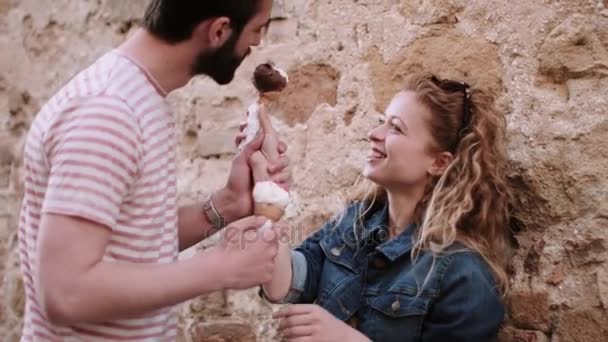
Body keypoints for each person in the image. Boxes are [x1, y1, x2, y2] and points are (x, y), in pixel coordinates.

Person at [17, 0, 288, 341]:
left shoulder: (141, 98)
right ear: (219, 30)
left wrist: (228, 203)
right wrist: (221, 269)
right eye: (256, 30)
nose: (258, 44)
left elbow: (132, 241)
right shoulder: (108, 112)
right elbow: (66, 294)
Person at [259, 73, 513, 342]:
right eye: (382, 122)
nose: (373, 134)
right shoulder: (354, 223)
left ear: (439, 163)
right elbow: (284, 285)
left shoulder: (464, 274)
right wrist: (267, 187)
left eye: (396, 128)